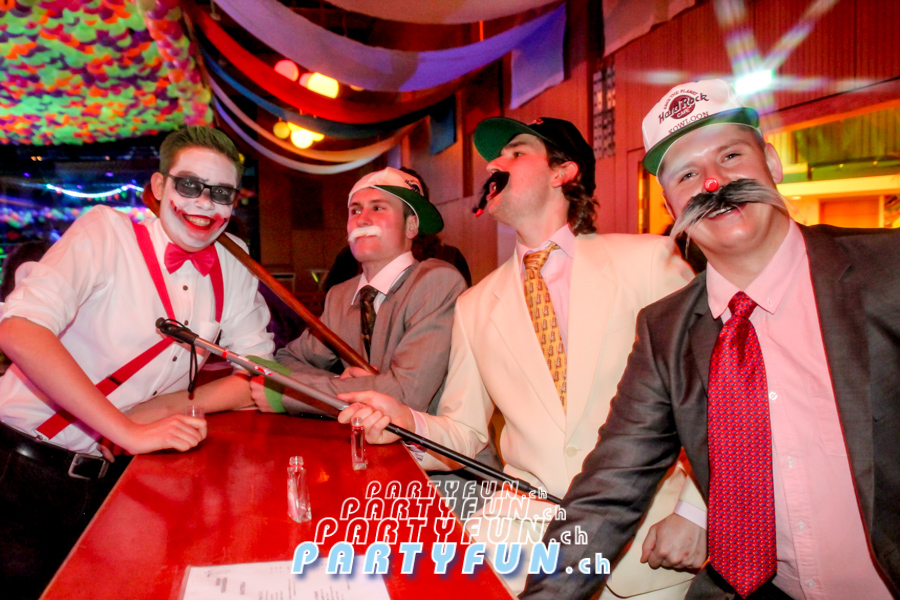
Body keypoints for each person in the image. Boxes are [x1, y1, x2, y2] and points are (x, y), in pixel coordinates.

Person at [521, 79, 900, 600]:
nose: (714, 182)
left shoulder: (888, 272)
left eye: (731, 155)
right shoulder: (666, 331)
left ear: (772, 162)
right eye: (687, 174)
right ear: (670, 204)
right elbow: (607, 494)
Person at [338, 117, 704, 597]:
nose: (494, 165)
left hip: (650, 540)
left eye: (515, 153)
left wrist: (698, 512)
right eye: (495, 157)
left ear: (562, 172)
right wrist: (404, 420)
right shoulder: (474, 306)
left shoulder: (650, 262)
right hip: (522, 537)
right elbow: (466, 432)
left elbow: (723, 398)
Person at [0, 126, 274, 600]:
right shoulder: (107, 232)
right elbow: (19, 330)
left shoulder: (235, 266)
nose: (204, 203)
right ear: (160, 186)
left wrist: (155, 410)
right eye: (190, 185)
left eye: (221, 193)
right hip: (19, 472)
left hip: (116, 482)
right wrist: (125, 430)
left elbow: (257, 375)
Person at [251, 167, 467, 416]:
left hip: (427, 440)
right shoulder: (340, 296)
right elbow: (287, 360)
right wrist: (346, 384)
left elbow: (408, 394)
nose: (361, 220)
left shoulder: (436, 283)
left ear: (411, 226)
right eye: (355, 210)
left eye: (378, 208)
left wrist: (291, 393)